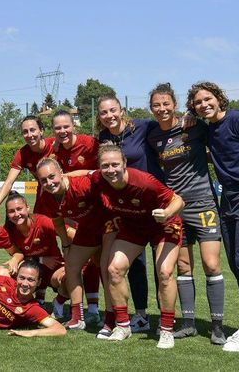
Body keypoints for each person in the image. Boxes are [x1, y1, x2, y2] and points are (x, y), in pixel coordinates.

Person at [188, 81, 239, 352]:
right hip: (227, 198)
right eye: (198, 102)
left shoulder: (238, 119)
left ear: (218, 98)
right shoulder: (208, 129)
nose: (204, 105)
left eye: (208, 99)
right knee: (237, 263)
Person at [147, 83, 226, 344]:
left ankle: (217, 326)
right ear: (151, 109)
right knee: (183, 266)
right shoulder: (152, 135)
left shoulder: (194, 126)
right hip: (176, 207)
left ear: (175, 105)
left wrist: (192, 115)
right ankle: (189, 323)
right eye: (156, 105)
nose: (162, 109)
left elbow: (216, 135)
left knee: (211, 264)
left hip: (204, 204)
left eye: (166, 104)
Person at [91, 144, 185, 349]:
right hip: (135, 226)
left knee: (165, 272)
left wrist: (167, 213)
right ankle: (123, 325)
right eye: (105, 165)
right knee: (114, 269)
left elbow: (178, 200)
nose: (110, 170)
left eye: (115, 164)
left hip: (164, 224)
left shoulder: (145, 181)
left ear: (124, 164)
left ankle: (166, 329)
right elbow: (81, 176)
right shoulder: (98, 178)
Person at [96, 95, 162, 333]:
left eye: (112, 110)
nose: (109, 116)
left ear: (121, 110)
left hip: (154, 203)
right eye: (104, 112)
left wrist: (189, 119)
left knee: (161, 265)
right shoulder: (103, 138)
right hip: (127, 207)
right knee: (135, 263)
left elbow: (169, 126)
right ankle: (141, 315)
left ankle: (165, 319)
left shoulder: (142, 127)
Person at [35, 158, 110, 331]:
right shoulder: (46, 196)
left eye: (52, 177)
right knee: (71, 265)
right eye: (43, 180)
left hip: (108, 227)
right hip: (87, 230)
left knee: (108, 270)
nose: (49, 183)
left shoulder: (82, 185)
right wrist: (66, 245)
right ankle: (77, 318)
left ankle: (113, 317)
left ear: (61, 173)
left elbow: (98, 174)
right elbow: (58, 221)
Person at [49, 110, 102, 323]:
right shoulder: (53, 149)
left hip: (97, 210)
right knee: (77, 262)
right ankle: (75, 308)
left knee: (97, 261)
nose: (62, 131)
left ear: (74, 126)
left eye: (66, 126)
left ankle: (91, 309)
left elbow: (99, 173)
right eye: (57, 128)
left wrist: (69, 175)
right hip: (71, 212)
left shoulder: (90, 144)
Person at [2, 191, 67, 315]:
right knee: (3, 273)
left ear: (27, 208)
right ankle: (24, 303)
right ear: (7, 214)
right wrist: (41, 260)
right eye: (11, 211)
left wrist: (75, 249)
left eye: (19, 209)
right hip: (31, 271)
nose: (16, 214)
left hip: (54, 269)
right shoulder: (7, 232)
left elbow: (67, 232)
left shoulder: (42, 222)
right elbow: (18, 255)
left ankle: (59, 301)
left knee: (71, 276)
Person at [0, 115, 56, 226]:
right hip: (43, 197)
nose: (29, 135)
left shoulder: (56, 144)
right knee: (39, 228)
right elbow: (9, 182)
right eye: (25, 132)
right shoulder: (22, 153)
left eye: (32, 130)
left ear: (41, 131)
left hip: (64, 194)